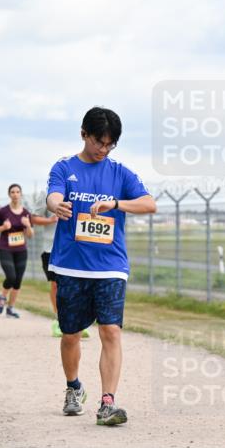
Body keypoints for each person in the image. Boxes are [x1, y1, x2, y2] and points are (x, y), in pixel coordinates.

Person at [46, 106, 156, 426]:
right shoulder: (64, 168)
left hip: (110, 266)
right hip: (71, 265)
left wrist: (117, 203)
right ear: (84, 134)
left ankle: (107, 403)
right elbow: (52, 197)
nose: (103, 150)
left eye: (110, 144)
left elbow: (149, 203)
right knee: (71, 334)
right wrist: (57, 205)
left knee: (110, 330)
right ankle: (73, 387)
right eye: (98, 142)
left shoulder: (121, 173)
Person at [0, 184, 56, 319]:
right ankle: (3, 296)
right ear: (9, 194)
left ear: (21, 194)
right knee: (11, 276)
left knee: (18, 280)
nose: (15, 194)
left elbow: (30, 234)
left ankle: (10, 308)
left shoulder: (26, 213)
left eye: (17, 192)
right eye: (12, 192)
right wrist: (3, 227)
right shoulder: (2, 212)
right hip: (5, 248)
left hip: (21, 249)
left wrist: (27, 225)